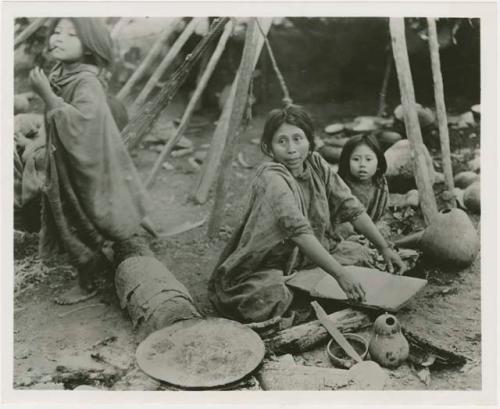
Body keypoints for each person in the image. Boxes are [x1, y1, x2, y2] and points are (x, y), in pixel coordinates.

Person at [208, 105, 406, 324]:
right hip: (270, 261)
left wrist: (384, 247)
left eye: (297, 139)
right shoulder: (273, 178)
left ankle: (311, 289)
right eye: (282, 141)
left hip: (310, 253)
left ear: (310, 141)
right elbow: (298, 231)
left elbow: (350, 206)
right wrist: (339, 274)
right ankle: (305, 297)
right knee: (267, 297)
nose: (292, 149)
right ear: (269, 147)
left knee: (359, 254)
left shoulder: (316, 163)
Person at [29, 18, 151, 305]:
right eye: (57, 32)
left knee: (80, 218)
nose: (58, 38)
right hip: (66, 161)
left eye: (71, 35)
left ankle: (87, 282)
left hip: (85, 165)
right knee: (69, 216)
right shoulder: (62, 71)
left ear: (89, 47)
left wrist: (47, 95)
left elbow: (84, 125)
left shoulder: (86, 82)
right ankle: (97, 260)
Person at [337, 134, 389, 224]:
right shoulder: (341, 186)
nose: (362, 164)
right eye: (356, 159)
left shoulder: (380, 182)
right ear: (346, 162)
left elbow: (384, 210)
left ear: (378, 163)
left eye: (368, 159)